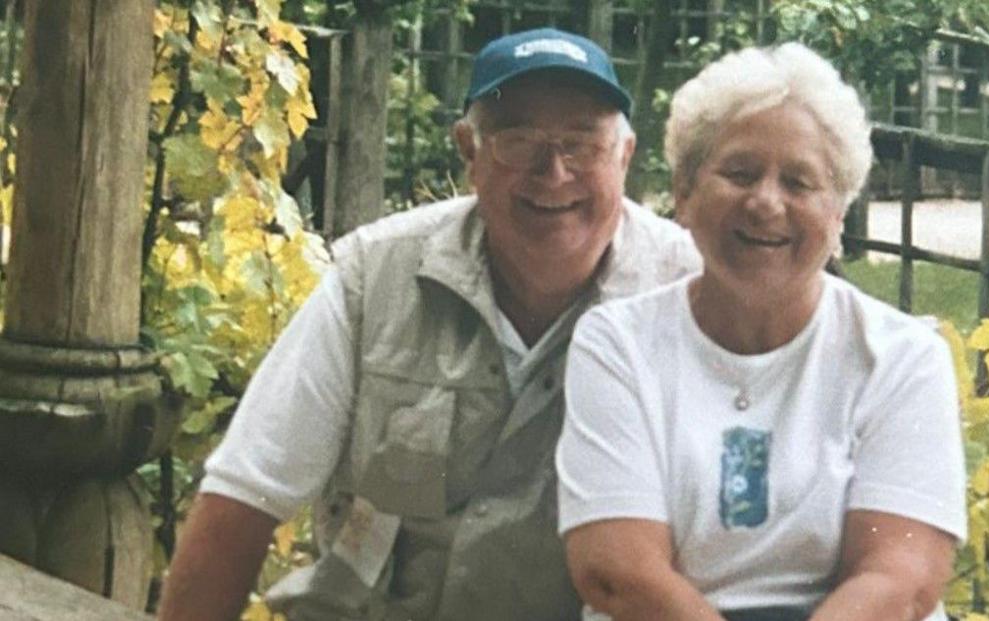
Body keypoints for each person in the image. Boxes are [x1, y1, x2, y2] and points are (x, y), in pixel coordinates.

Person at [157, 28, 700, 621]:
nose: (554, 170)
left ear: (624, 156)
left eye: (582, 144)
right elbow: (243, 496)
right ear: (469, 151)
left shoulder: (688, 293)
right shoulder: (376, 277)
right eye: (518, 140)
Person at [556, 43, 967, 621]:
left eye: (800, 183)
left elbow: (901, 582)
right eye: (739, 173)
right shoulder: (618, 344)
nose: (766, 203)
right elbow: (619, 573)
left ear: (838, 212)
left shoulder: (902, 357)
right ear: (684, 193)